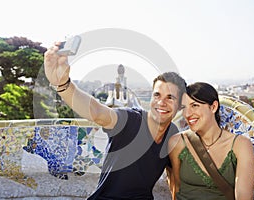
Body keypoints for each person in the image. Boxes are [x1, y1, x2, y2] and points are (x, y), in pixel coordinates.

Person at [44, 42, 187, 199]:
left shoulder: (173, 134)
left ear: (180, 105)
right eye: (157, 95)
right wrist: (62, 85)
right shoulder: (131, 120)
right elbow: (98, 113)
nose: (161, 103)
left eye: (170, 98)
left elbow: (174, 178)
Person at [168, 82, 254, 200]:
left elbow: (244, 197)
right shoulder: (177, 142)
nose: (187, 114)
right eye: (184, 107)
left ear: (213, 107)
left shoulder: (241, 145)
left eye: (194, 105)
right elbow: (176, 188)